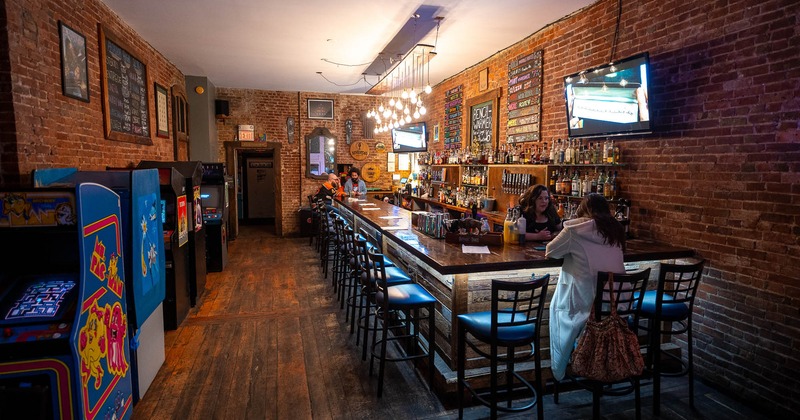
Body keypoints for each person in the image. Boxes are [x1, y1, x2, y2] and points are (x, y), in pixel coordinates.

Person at [544, 193, 627, 381]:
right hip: (618, 307)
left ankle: (562, 369)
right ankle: (601, 368)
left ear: (582, 211)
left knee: (557, 308)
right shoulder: (617, 230)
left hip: (586, 308)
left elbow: (550, 251)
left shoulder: (575, 230)